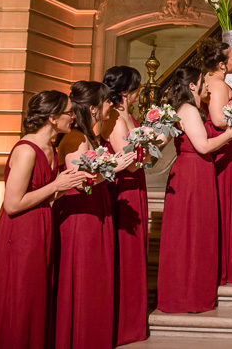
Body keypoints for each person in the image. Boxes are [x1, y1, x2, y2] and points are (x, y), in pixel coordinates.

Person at [0, 91, 87, 349]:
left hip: (41, 226)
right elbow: (13, 204)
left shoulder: (49, 146)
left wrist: (70, 183)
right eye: (68, 112)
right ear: (52, 117)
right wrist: (56, 186)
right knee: (21, 296)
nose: (73, 117)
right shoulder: (27, 151)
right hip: (21, 233)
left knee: (36, 295)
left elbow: (44, 194)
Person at [157, 66, 232, 313]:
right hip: (192, 174)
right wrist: (229, 135)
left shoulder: (189, 110)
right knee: (191, 233)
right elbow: (204, 146)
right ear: (193, 87)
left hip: (197, 173)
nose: (208, 86)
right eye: (203, 82)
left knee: (195, 233)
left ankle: (191, 290)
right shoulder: (188, 110)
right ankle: (187, 295)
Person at [53, 81, 136, 349]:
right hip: (81, 215)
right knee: (85, 277)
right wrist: (117, 167)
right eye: (106, 101)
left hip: (96, 207)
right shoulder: (75, 138)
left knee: (96, 278)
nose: (110, 104)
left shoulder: (90, 135)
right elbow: (79, 182)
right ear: (92, 108)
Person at [102, 65, 149, 345]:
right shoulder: (117, 121)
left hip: (135, 184)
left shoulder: (126, 115)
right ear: (126, 92)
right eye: (137, 87)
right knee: (126, 251)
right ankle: (124, 323)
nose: (139, 92)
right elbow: (127, 161)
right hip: (124, 189)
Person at [200, 37, 232, 285]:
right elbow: (219, 119)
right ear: (221, 65)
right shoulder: (218, 85)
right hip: (225, 145)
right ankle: (227, 263)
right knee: (227, 199)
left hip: (224, 143)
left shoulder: (209, 79)